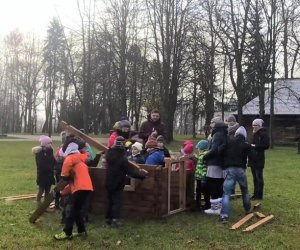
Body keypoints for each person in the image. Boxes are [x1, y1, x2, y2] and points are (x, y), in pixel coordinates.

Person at [54, 142, 93, 240]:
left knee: (71, 211)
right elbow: (72, 185)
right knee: (77, 211)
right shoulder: (81, 164)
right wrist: (60, 193)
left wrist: (64, 175)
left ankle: (67, 232)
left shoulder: (70, 158)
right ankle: (81, 231)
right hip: (86, 189)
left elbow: (67, 172)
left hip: (80, 189)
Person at [105, 136, 147, 227]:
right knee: (117, 202)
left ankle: (108, 219)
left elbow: (109, 152)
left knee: (110, 200)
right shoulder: (122, 159)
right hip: (118, 183)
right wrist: (142, 176)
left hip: (109, 181)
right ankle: (115, 220)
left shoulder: (109, 154)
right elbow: (130, 172)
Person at [219, 126, 252, 223]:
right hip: (241, 170)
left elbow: (220, 150)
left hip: (229, 170)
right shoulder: (246, 145)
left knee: (226, 194)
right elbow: (251, 154)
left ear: (236, 134)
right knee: (245, 190)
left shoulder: (229, 142)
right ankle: (247, 209)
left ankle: (224, 216)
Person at [203, 117, 228, 215]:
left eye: (212, 122)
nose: (210, 124)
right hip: (220, 163)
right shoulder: (223, 133)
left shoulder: (217, 134)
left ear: (216, 124)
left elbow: (214, 149)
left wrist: (205, 156)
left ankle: (215, 208)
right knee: (218, 185)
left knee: (213, 185)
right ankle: (219, 206)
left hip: (214, 162)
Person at [248, 118, 270, 200]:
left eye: (255, 125)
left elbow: (266, 145)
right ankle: (255, 194)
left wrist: (255, 146)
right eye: (253, 125)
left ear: (260, 126)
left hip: (259, 158)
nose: (254, 127)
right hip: (252, 158)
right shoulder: (254, 133)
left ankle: (259, 195)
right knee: (254, 177)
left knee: (259, 177)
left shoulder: (263, 134)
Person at [32, 135, 56, 207]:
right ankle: (38, 202)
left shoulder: (50, 152)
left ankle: (45, 204)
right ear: (44, 144)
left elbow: (53, 162)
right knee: (41, 189)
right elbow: (41, 164)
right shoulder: (39, 153)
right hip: (42, 175)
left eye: (51, 143)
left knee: (47, 191)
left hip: (49, 175)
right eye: (49, 143)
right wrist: (49, 167)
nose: (50, 145)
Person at [195, 140, 210, 210]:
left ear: (202, 148)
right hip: (199, 177)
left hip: (202, 178)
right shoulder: (201, 155)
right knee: (199, 191)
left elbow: (205, 167)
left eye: (198, 148)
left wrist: (204, 178)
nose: (197, 150)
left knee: (205, 192)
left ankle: (207, 205)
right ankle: (198, 205)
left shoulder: (204, 156)